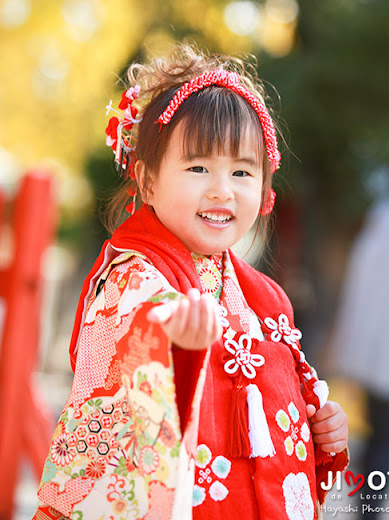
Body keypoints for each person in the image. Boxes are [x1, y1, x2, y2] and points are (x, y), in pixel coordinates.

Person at [34, 44, 348, 520]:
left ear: (264, 191)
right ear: (148, 180)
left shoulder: (266, 299)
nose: (223, 188)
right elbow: (112, 406)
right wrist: (170, 347)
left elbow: (277, 420)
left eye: (243, 171)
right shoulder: (134, 281)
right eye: (199, 167)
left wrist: (318, 430)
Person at [329, 150, 389, 512]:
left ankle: (363, 512)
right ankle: (371, 514)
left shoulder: (376, 226)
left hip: (368, 358)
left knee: (374, 446)